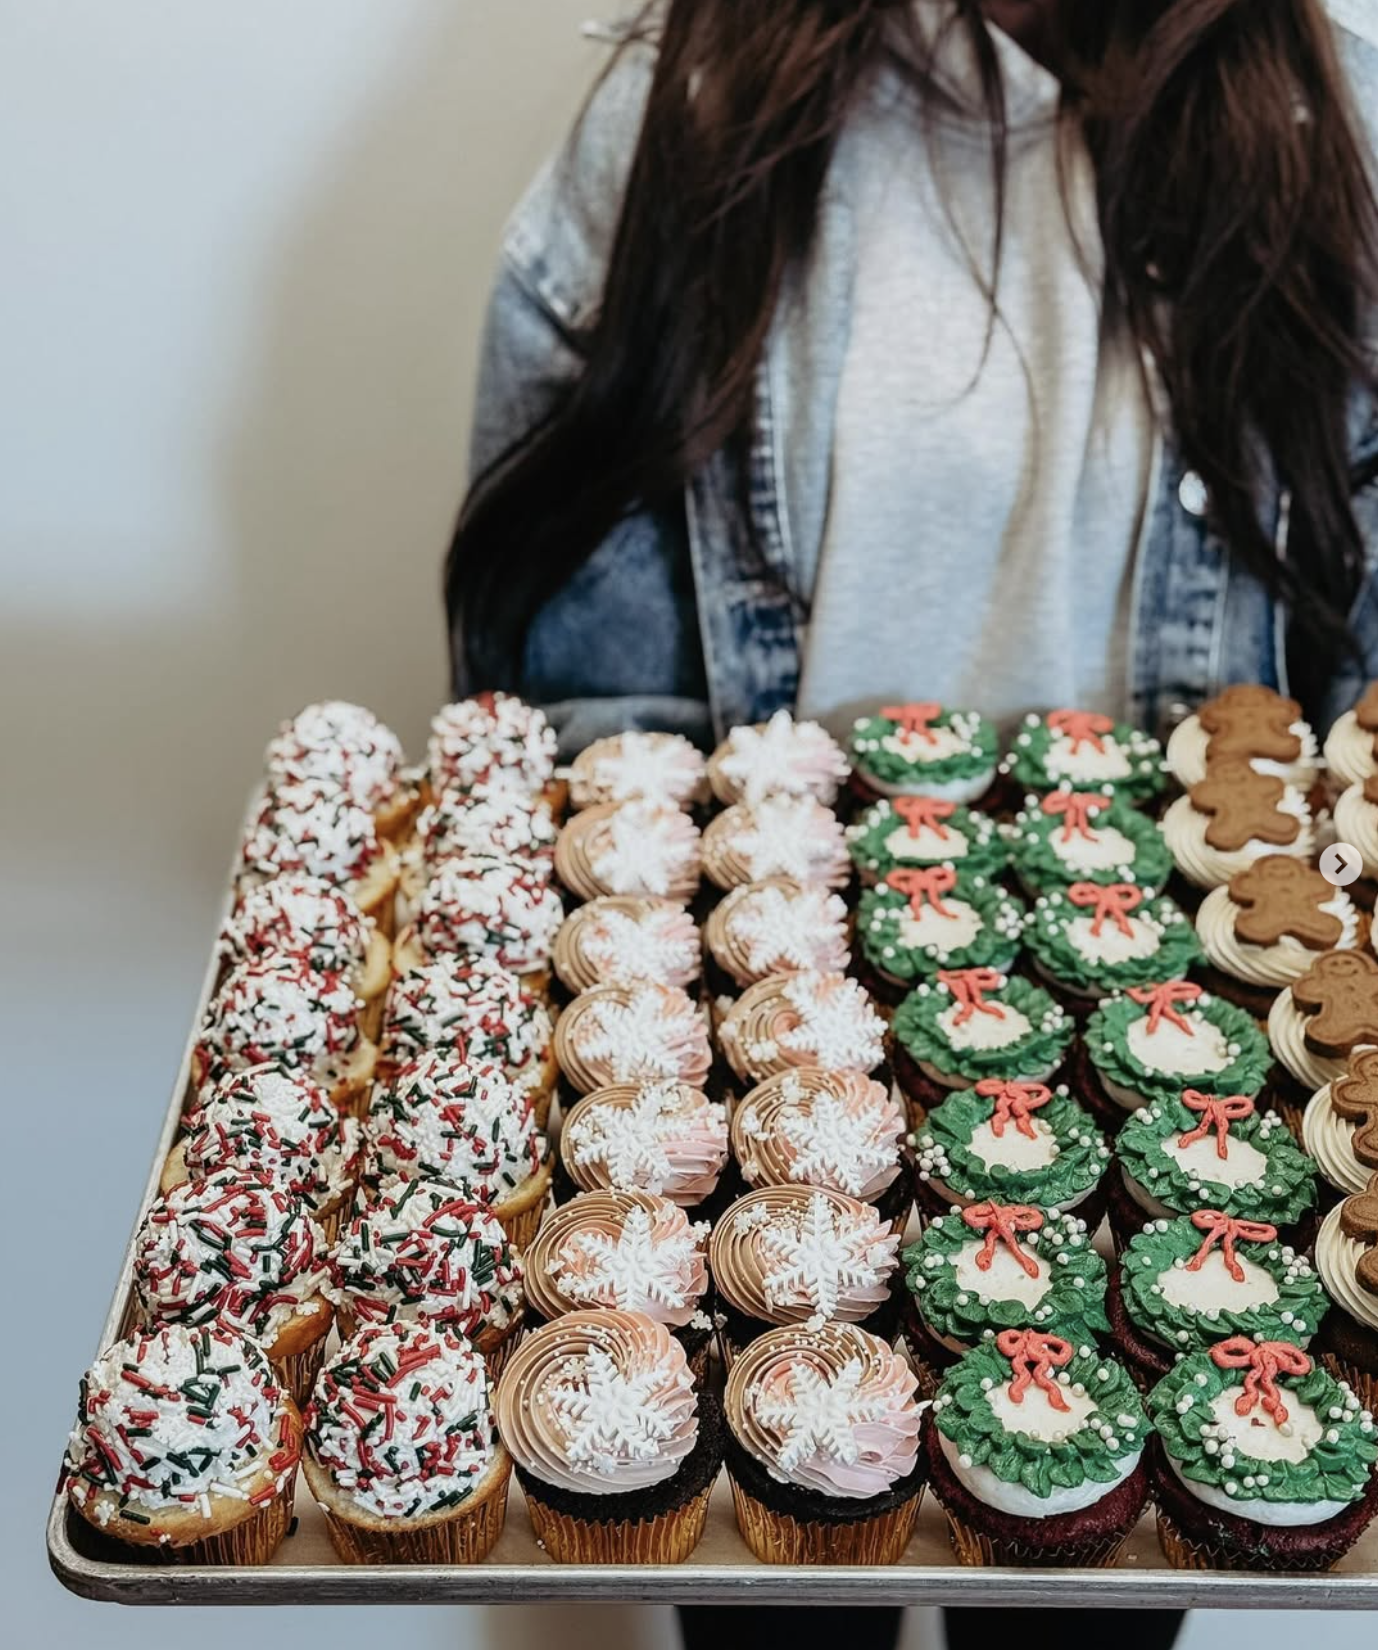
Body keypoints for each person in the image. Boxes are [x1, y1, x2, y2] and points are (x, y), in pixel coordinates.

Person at [445, 1, 1378, 1643]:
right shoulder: (684, 129)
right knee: (787, 1601)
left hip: (1163, 1145)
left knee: (1073, 1589)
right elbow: (586, 743)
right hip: (764, 1117)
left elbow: (1344, 758)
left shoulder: (1335, 124)